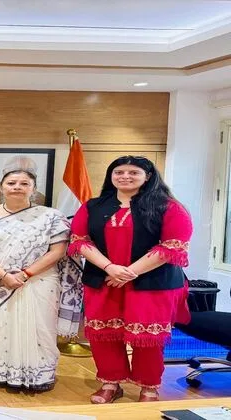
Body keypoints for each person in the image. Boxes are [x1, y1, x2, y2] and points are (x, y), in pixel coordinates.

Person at [68, 156, 192, 403]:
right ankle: (110, 383)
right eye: (119, 172)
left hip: (152, 283)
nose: (125, 176)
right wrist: (110, 268)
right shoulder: (93, 206)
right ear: (111, 176)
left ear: (148, 176)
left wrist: (129, 272)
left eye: (133, 172)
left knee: (147, 337)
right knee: (104, 334)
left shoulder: (168, 207)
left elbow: (173, 246)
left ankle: (149, 388)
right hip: (104, 279)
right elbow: (79, 240)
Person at [0, 169, 78, 392]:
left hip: (40, 280)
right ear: (1, 187)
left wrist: (25, 274)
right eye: (11, 183)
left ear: (33, 188)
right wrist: (3, 275)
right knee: (0, 327)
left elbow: (58, 250)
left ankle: (40, 376)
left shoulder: (51, 216)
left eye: (24, 183)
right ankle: (1, 373)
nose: (17, 187)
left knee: (41, 327)